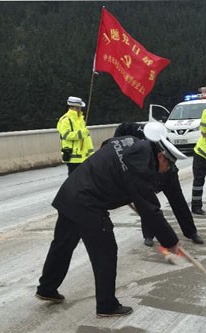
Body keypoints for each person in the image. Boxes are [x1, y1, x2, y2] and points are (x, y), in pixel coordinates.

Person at [35, 123, 184, 318]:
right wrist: (171, 242)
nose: (165, 171)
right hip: (89, 203)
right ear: (160, 156)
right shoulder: (141, 167)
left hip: (71, 191)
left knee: (63, 244)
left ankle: (46, 288)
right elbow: (151, 211)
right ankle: (106, 305)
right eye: (168, 165)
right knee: (105, 251)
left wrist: (119, 179)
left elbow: (108, 146)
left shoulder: (129, 142)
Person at [106, 122, 204, 246]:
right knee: (147, 203)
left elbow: (169, 159)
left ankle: (191, 232)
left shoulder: (164, 141)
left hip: (168, 173)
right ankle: (148, 235)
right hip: (148, 174)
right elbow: (122, 127)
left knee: (179, 202)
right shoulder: (139, 130)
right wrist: (116, 145)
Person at [57, 96, 94, 175]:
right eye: (79, 107)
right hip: (73, 157)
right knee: (74, 180)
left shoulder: (80, 119)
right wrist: (81, 133)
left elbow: (86, 139)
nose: (80, 109)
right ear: (74, 107)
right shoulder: (65, 120)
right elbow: (66, 135)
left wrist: (91, 154)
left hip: (83, 156)